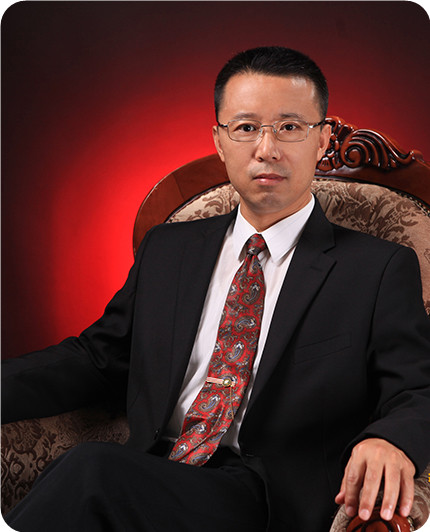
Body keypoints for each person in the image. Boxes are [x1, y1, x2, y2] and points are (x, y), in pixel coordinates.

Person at [2, 46, 430, 532]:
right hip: (156, 468)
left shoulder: (376, 268)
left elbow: (418, 386)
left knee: (90, 471)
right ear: (220, 141)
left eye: (290, 127)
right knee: (83, 475)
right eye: (246, 127)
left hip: (267, 499)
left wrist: (392, 439)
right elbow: (97, 359)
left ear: (322, 139)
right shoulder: (169, 248)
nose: (266, 149)